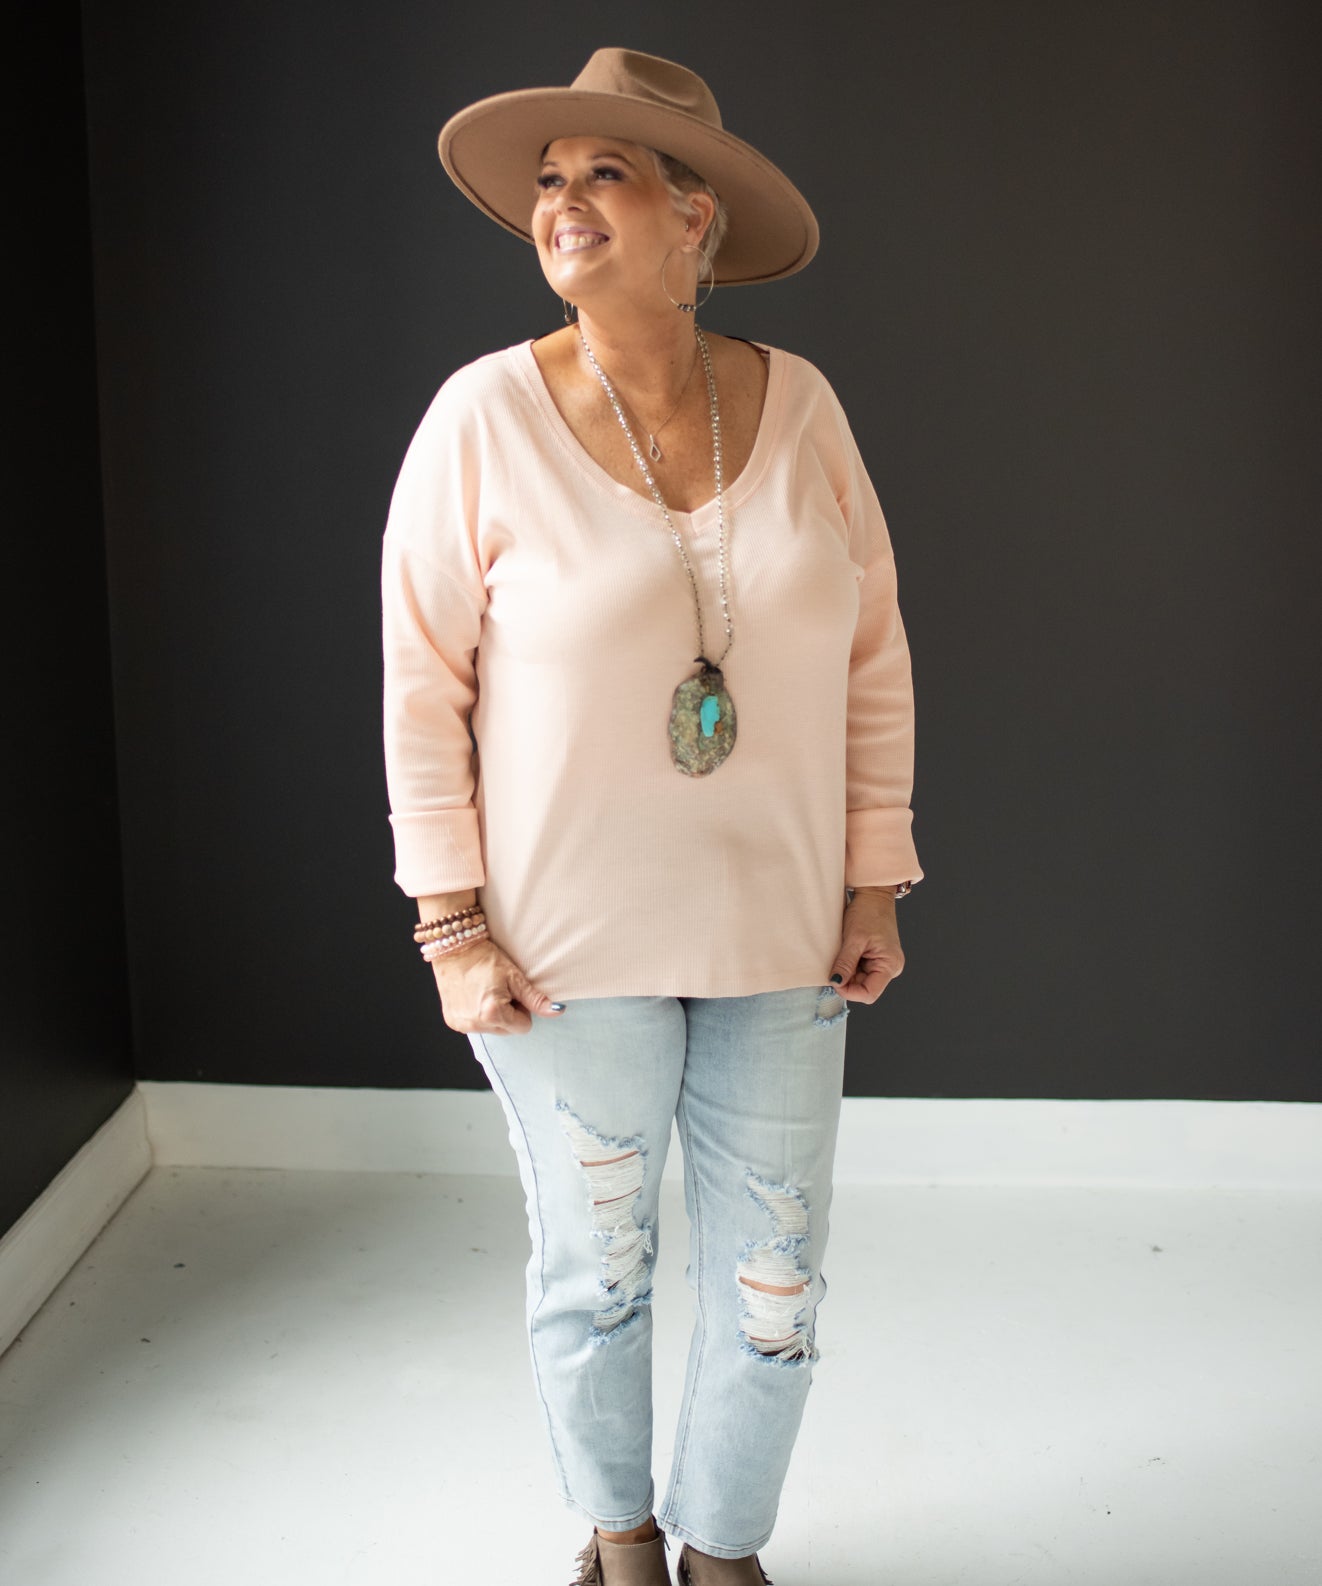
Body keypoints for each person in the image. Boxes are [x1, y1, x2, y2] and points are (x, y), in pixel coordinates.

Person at [381, 47, 923, 1586]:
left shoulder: (800, 406)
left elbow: (872, 652)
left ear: (695, 219)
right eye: (547, 181)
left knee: (775, 1281)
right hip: (561, 944)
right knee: (596, 1270)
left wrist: (872, 875)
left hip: (782, 927)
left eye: (602, 174)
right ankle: (618, 1544)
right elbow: (419, 684)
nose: (561, 204)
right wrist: (448, 919)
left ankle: (723, 1548)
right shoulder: (481, 417)